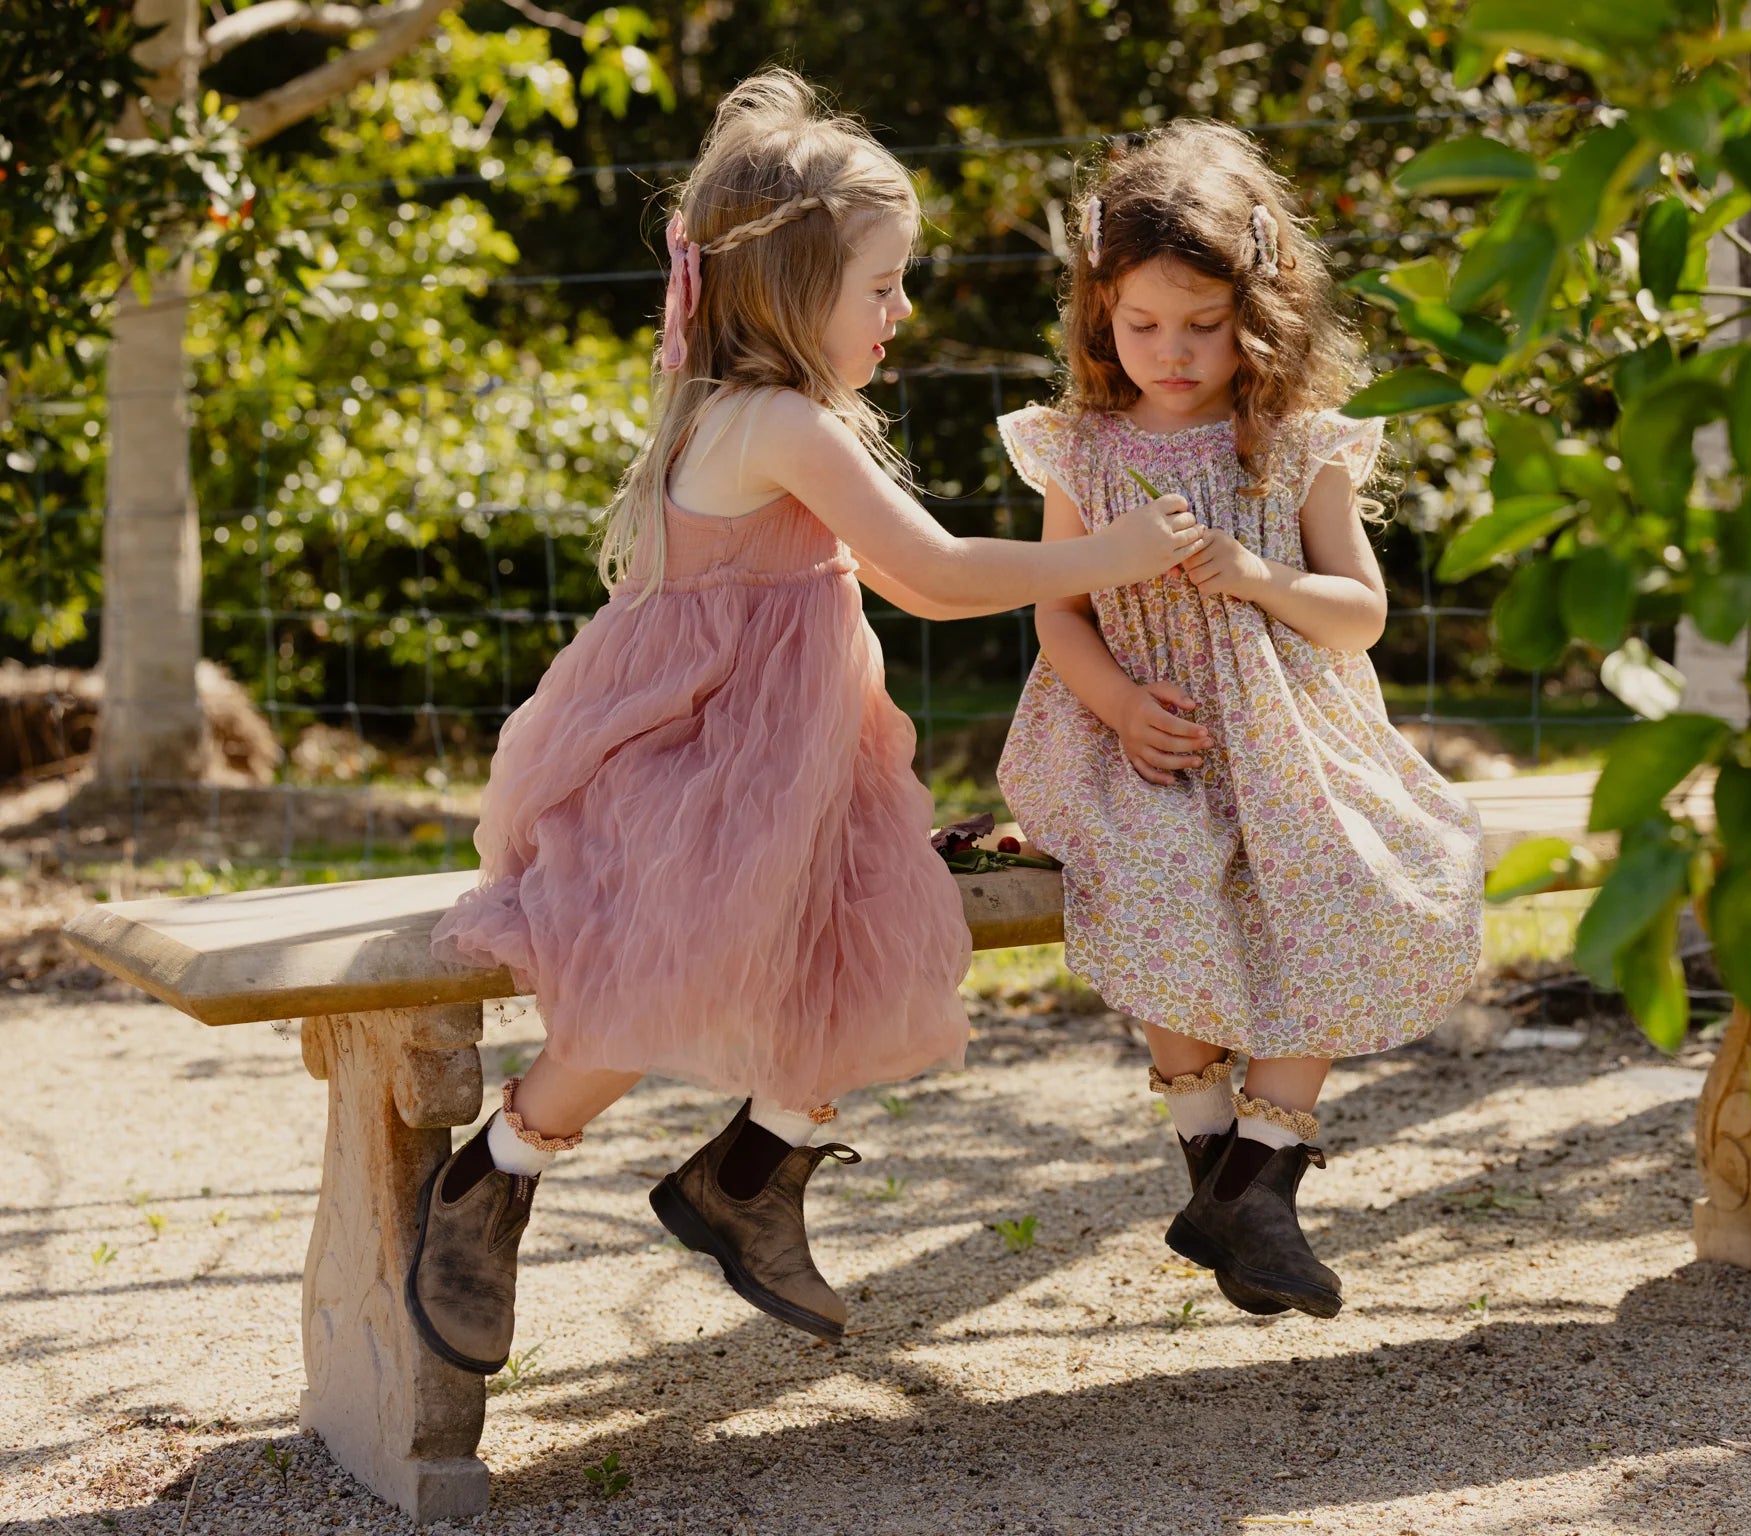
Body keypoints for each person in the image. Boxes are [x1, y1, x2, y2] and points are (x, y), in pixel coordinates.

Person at [407, 70, 1201, 1369]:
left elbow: (890, 580)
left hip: (801, 764)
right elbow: (937, 577)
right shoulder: (770, 423)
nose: (903, 309)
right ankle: (492, 1176)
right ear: (790, 290)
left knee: (865, 937)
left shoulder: (788, 417)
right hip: (696, 765)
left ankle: (748, 1174)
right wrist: (1105, 556)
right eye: (881, 286)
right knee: (665, 946)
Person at [996, 122, 1484, 1318]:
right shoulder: (1083, 447)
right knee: (1155, 876)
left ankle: (1260, 1177)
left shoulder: (1293, 448)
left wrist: (1259, 578)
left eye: (1201, 326)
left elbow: (1359, 614)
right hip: (1140, 743)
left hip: (1291, 741)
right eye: (1140, 325)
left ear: (1255, 312)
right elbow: (1056, 614)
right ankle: (1218, 1169)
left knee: (1355, 876)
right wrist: (1114, 704)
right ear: (1099, 311)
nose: (1170, 352)